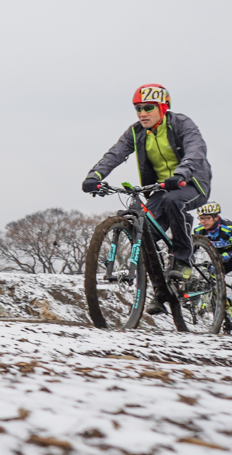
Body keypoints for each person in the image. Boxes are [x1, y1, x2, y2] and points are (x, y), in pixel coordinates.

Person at [82, 84, 212, 314]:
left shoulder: (182, 124)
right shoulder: (136, 132)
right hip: (161, 188)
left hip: (192, 183)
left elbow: (196, 150)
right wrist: (95, 176)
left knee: (174, 202)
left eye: (148, 108)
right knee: (146, 237)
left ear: (162, 108)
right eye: (138, 108)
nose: (142, 113)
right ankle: (161, 293)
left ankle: (183, 259)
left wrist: (181, 173)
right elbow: (115, 154)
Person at [195, 203, 232, 335]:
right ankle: (221, 305)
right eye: (200, 218)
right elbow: (193, 250)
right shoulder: (199, 230)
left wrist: (225, 257)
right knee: (206, 279)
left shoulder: (229, 228)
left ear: (216, 217)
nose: (203, 221)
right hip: (220, 261)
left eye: (206, 218)